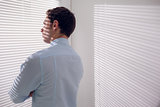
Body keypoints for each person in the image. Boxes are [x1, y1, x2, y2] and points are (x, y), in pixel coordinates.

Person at [8, 7, 83, 107]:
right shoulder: (77, 59)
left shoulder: (38, 59)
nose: (41, 29)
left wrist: (29, 91)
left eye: (44, 24)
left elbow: (15, 96)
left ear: (55, 25)